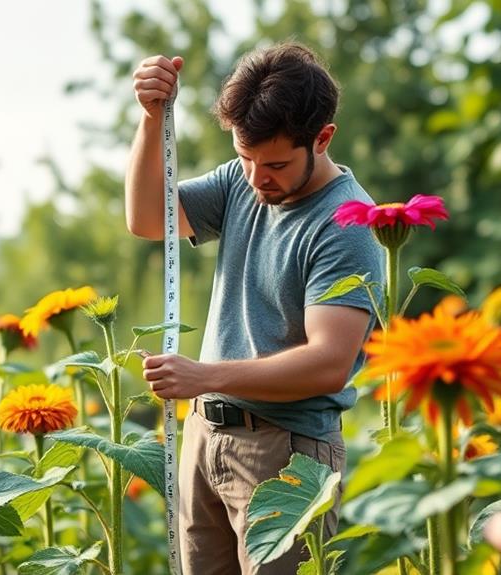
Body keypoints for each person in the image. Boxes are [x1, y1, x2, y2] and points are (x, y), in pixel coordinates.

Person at [125, 42, 385, 575]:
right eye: (245, 158)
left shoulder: (348, 225)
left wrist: (204, 375)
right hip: (205, 439)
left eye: (276, 164)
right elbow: (150, 218)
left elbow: (329, 361)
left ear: (323, 137)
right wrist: (152, 121)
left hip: (286, 454)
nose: (256, 178)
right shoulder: (242, 183)